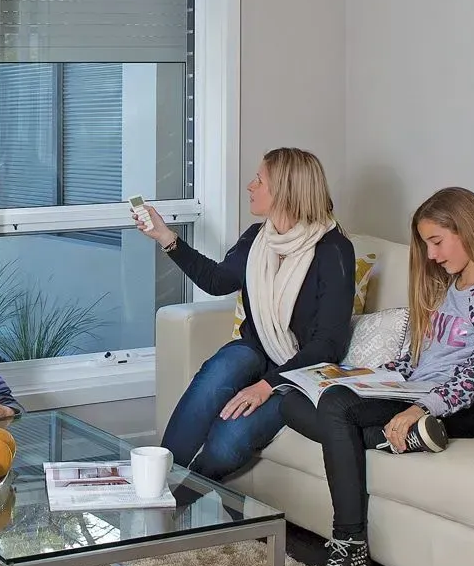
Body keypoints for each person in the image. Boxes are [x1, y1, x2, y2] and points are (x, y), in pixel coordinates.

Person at [281, 187, 474, 566]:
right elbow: (420, 360)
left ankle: (351, 546)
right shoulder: (453, 287)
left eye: (437, 242)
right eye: (427, 244)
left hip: (454, 405)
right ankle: (388, 439)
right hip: (413, 390)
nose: (432, 256)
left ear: (469, 229)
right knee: (291, 399)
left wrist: (421, 407)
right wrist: (363, 375)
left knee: (334, 406)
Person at [133, 147, 355, 481]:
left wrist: (267, 386)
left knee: (226, 443)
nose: (250, 186)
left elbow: (328, 345)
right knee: (222, 369)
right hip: (257, 350)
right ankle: (158, 482)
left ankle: (178, 501)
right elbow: (217, 280)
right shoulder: (258, 238)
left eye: (259, 180)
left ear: (285, 190)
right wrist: (166, 237)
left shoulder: (333, 250)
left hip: (300, 371)